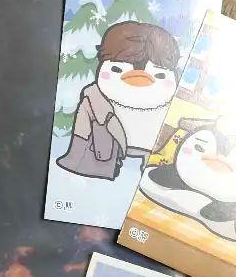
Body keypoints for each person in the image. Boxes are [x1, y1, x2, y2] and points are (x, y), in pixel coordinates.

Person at [57, 21, 180, 181]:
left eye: (159, 75)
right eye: (116, 69)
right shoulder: (93, 102)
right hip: (103, 168)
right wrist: (77, 159)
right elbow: (80, 139)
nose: (138, 79)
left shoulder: (174, 111)